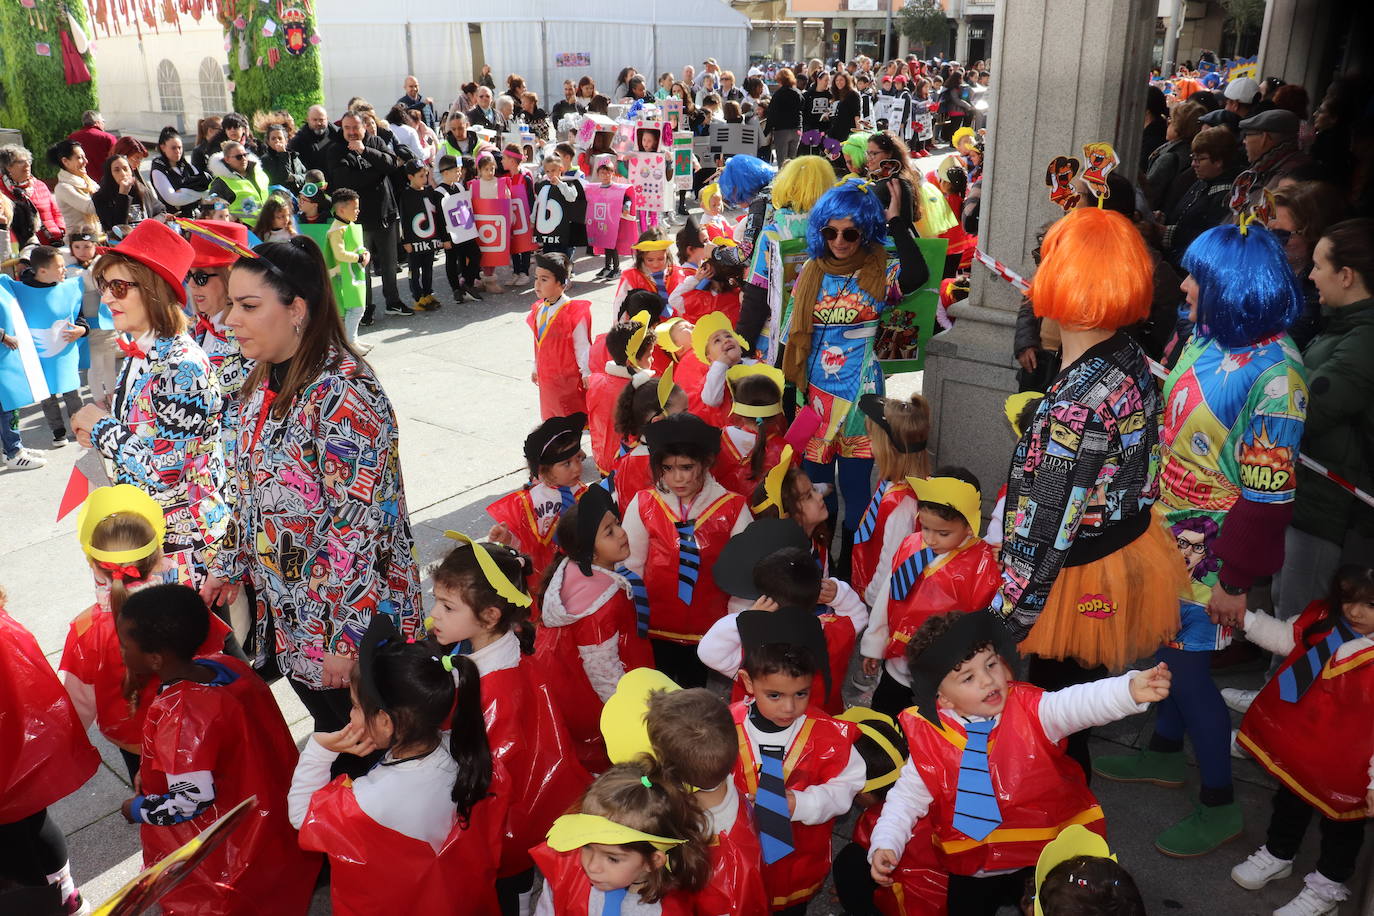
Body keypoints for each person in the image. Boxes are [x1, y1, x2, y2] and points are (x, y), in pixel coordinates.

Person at [1094, 221, 1307, 858]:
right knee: (1166, 651)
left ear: (1235, 290)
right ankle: (1163, 752)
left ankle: (1219, 801)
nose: (1183, 285)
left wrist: (1235, 584)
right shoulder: (1208, 336)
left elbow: (1268, 498)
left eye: (1197, 278)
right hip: (1169, 530)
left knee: (1188, 673)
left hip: (1212, 558)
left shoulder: (1279, 379)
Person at [202, 238, 422, 772]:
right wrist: (230, 564)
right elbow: (253, 489)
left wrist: (347, 644)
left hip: (349, 630)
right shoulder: (265, 377)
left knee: (381, 761)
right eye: (231, 303)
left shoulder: (342, 393)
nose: (230, 318)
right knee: (341, 746)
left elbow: (358, 530)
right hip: (296, 615)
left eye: (248, 305)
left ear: (297, 309)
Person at [867, 612, 1173, 916]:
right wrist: (886, 842)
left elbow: (1077, 703)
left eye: (991, 663)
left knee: (1041, 905)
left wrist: (1127, 692)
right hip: (973, 866)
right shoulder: (929, 739)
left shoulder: (1033, 711)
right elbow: (905, 799)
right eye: (969, 677)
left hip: (1036, 855)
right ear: (941, 698)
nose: (988, 679)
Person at [116, 584, 320, 916]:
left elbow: (189, 800)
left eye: (125, 645)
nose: (121, 651)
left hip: (231, 848)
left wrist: (136, 808)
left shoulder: (181, 713)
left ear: (156, 658)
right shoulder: (226, 666)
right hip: (266, 815)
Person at [290, 615, 504, 915]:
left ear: (385, 722)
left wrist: (318, 749)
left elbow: (302, 817)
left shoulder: (371, 799)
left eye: (354, 706)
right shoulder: (456, 746)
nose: (350, 716)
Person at [428, 534, 591, 914]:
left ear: (490, 615)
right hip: (532, 814)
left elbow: (485, 779)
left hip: (507, 832)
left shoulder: (494, 691)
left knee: (506, 902)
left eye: (448, 606)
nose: (434, 613)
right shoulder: (507, 655)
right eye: (436, 600)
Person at [66, 222, 227, 586]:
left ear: (154, 289)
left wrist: (103, 428)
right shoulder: (145, 350)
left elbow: (165, 472)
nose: (107, 299)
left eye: (119, 287)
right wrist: (105, 426)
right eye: (104, 287)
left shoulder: (180, 363)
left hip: (187, 553)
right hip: (156, 541)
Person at [779, 177, 926, 562]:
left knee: (858, 493)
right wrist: (787, 393)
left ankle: (850, 572)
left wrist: (896, 221)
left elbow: (918, 275)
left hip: (862, 402)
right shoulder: (810, 272)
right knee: (816, 494)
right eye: (830, 231)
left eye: (850, 232)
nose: (840, 241)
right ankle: (816, 570)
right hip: (815, 402)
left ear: (866, 231)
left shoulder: (880, 270)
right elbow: (789, 341)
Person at [1228, 565, 1373, 916]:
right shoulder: (1326, 620)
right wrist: (1243, 618)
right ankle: (1279, 854)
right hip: (1301, 751)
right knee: (1289, 803)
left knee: (1341, 831)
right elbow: (1287, 639)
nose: (1355, 611)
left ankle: (1326, 890)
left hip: (1348, 771)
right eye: (1350, 599)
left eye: (1370, 604)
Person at [731, 610, 865, 914]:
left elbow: (848, 784)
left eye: (801, 693)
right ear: (748, 683)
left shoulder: (829, 734)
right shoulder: (725, 726)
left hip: (800, 851)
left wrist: (803, 804)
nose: (789, 707)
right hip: (742, 851)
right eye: (775, 695)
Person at [621, 412, 751, 687]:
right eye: (667, 469)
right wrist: (629, 616)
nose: (677, 478)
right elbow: (629, 564)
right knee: (659, 694)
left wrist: (733, 626)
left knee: (694, 695)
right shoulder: (644, 503)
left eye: (686, 467)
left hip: (708, 631)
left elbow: (743, 577)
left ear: (705, 463)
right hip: (653, 625)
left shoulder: (733, 507)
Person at [861, 471, 1002, 719]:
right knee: (883, 721)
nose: (930, 538)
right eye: (925, 527)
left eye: (943, 533)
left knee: (927, 733)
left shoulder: (982, 563)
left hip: (943, 676)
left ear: (969, 525)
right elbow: (888, 598)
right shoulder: (911, 545)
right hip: (898, 664)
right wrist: (874, 645)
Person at [536, 486, 654, 768]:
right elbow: (602, 668)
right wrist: (628, 712)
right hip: (600, 708)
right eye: (609, 532)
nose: (622, 533)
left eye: (617, 523)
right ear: (589, 551)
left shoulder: (575, 575)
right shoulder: (599, 603)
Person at [532, 761, 711, 914]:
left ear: (653, 861)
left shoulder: (663, 911)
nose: (592, 866)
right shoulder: (565, 868)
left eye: (612, 858)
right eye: (586, 846)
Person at [184, 221, 255, 516]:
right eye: (188, 275)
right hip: (212, 480)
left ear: (230, 279)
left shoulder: (251, 337)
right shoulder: (200, 330)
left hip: (246, 481)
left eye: (201, 277)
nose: (191, 285)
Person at [488, 413, 590, 584]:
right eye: (567, 463)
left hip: (581, 574)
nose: (577, 468)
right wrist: (508, 539)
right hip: (545, 580)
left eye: (578, 459)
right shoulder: (529, 503)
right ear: (543, 470)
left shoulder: (582, 492)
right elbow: (527, 547)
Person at [850, 393, 931, 606]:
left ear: (889, 449)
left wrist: (870, 599)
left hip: (880, 602)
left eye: (872, 440)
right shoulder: (894, 485)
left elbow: (890, 565)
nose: (869, 445)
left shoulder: (903, 506)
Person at [327, 111, 408, 321]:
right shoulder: (336, 149)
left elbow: (391, 164)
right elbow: (347, 181)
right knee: (362, 266)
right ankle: (366, 308)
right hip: (357, 222)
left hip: (385, 214)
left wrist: (366, 152)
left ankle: (394, 302)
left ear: (364, 127)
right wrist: (378, 172)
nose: (352, 132)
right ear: (342, 129)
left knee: (390, 264)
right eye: (347, 128)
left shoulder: (375, 141)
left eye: (356, 127)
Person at [2, 246, 85, 445]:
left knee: (72, 391)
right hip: (37, 356)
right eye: (60, 267)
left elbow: (80, 316)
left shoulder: (71, 287)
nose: (65, 270)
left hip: (65, 353)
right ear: (42, 271)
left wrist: (82, 330)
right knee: (46, 394)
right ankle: (58, 432)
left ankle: (82, 427)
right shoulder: (18, 291)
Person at [1159, 126, 1239, 268]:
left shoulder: (1228, 196)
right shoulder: (1202, 182)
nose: (1193, 164)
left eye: (1199, 159)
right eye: (1193, 158)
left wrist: (1165, 232)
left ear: (1219, 161)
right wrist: (1164, 219)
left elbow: (1211, 238)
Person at [526, 252, 591, 419]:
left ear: (562, 284)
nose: (537, 284)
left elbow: (582, 345)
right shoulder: (539, 309)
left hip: (567, 382)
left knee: (568, 426)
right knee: (551, 423)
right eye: (536, 278)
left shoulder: (573, 312)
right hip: (548, 382)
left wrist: (586, 372)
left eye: (544, 279)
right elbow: (539, 343)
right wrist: (536, 366)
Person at [587, 316, 654, 475]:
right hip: (629, 464)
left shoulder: (595, 381)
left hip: (603, 458)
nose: (653, 358)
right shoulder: (642, 391)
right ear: (631, 362)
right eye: (649, 354)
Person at [1232, 109, 1311, 215]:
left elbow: (1256, 218)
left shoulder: (1287, 174)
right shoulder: (1266, 167)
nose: (1244, 141)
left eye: (1247, 135)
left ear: (1264, 137)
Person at [397, 159, 448, 312]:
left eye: (425, 175)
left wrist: (439, 236)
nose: (424, 179)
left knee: (428, 268)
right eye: (420, 176)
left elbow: (435, 214)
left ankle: (428, 293)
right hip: (414, 241)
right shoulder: (405, 195)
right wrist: (405, 240)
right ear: (410, 177)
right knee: (414, 269)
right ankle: (418, 297)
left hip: (429, 240)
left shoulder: (429, 191)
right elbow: (404, 219)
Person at [324, 188, 371, 342]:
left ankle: (351, 340)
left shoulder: (349, 225)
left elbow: (359, 246)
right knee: (355, 309)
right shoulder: (337, 230)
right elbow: (340, 254)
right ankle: (350, 342)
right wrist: (359, 258)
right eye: (355, 208)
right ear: (342, 210)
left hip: (351, 274)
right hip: (341, 276)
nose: (358, 211)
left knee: (357, 308)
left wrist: (366, 254)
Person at [0, 144, 64, 246]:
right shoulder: (2, 190)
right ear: (8, 167)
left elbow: (56, 212)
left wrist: (60, 230)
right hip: (23, 246)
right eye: (21, 162)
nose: (27, 165)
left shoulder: (39, 185)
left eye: (29, 161)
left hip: (52, 241)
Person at [93, 154, 164, 234]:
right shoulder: (101, 198)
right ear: (110, 175)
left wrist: (149, 225)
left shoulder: (142, 191)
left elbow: (161, 212)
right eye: (117, 170)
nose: (123, 174)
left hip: (146, 239)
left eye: (125, 169)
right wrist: (123, 195)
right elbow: (117, 228)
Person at [150, 126, 211, 216]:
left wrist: (183, 191)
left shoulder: (187, 167)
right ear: (163, 148)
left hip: (196, 216)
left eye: (180, 147)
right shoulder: (158, 170)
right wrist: (199, 194)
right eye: (173, 148)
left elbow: (208, 191)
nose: (178, 151)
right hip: (174, 220)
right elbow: (173, 199)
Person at [209, 140, 271, 224]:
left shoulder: (259, 173)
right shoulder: (221, 183)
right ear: (227, 159)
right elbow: (213, 207)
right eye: (239, 157)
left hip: (269, 225)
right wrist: (230, 217)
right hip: (245, 231)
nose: (244, 159)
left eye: (245, 155)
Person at [48, 139, 100, 238]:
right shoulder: (63, 188)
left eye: (85, 157)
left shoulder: (87, 180)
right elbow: (91, 207)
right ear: (65, 161)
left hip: (95, 236)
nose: (86, 161)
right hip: (78, 243)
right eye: (80, 158)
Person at [767, 69, 805, 164]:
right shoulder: (798, 93)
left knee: (782, 161)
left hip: (782, 130)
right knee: (792, 160)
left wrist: (766, 131)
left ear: (780, 80)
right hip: (797, 129)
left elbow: (772, 114)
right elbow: (802, 108)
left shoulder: (778, 94)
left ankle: (783, 178)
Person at [289, 105, 339, 174]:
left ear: (327, 119)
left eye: (321, 120)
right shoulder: (298, 141)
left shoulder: (337, 133)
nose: (318, 123)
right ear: (308, 120)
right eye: (314, 120)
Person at [259, 124, 306, 194]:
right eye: (273, 138)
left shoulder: (293, 156)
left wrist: (295, 178)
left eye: (280, 138)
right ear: (268, 142)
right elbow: (283, 178)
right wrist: (282, 154)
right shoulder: (265, 160)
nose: (277, 141)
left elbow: (305, 176)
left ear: (286, 140)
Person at [69, 110, 117, 176]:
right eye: (103, 121)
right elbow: (117, 160)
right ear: (97, 122)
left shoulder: (72, 137)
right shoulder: (108, 138)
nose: (104, 124)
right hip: (105, 180)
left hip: (81, 180)